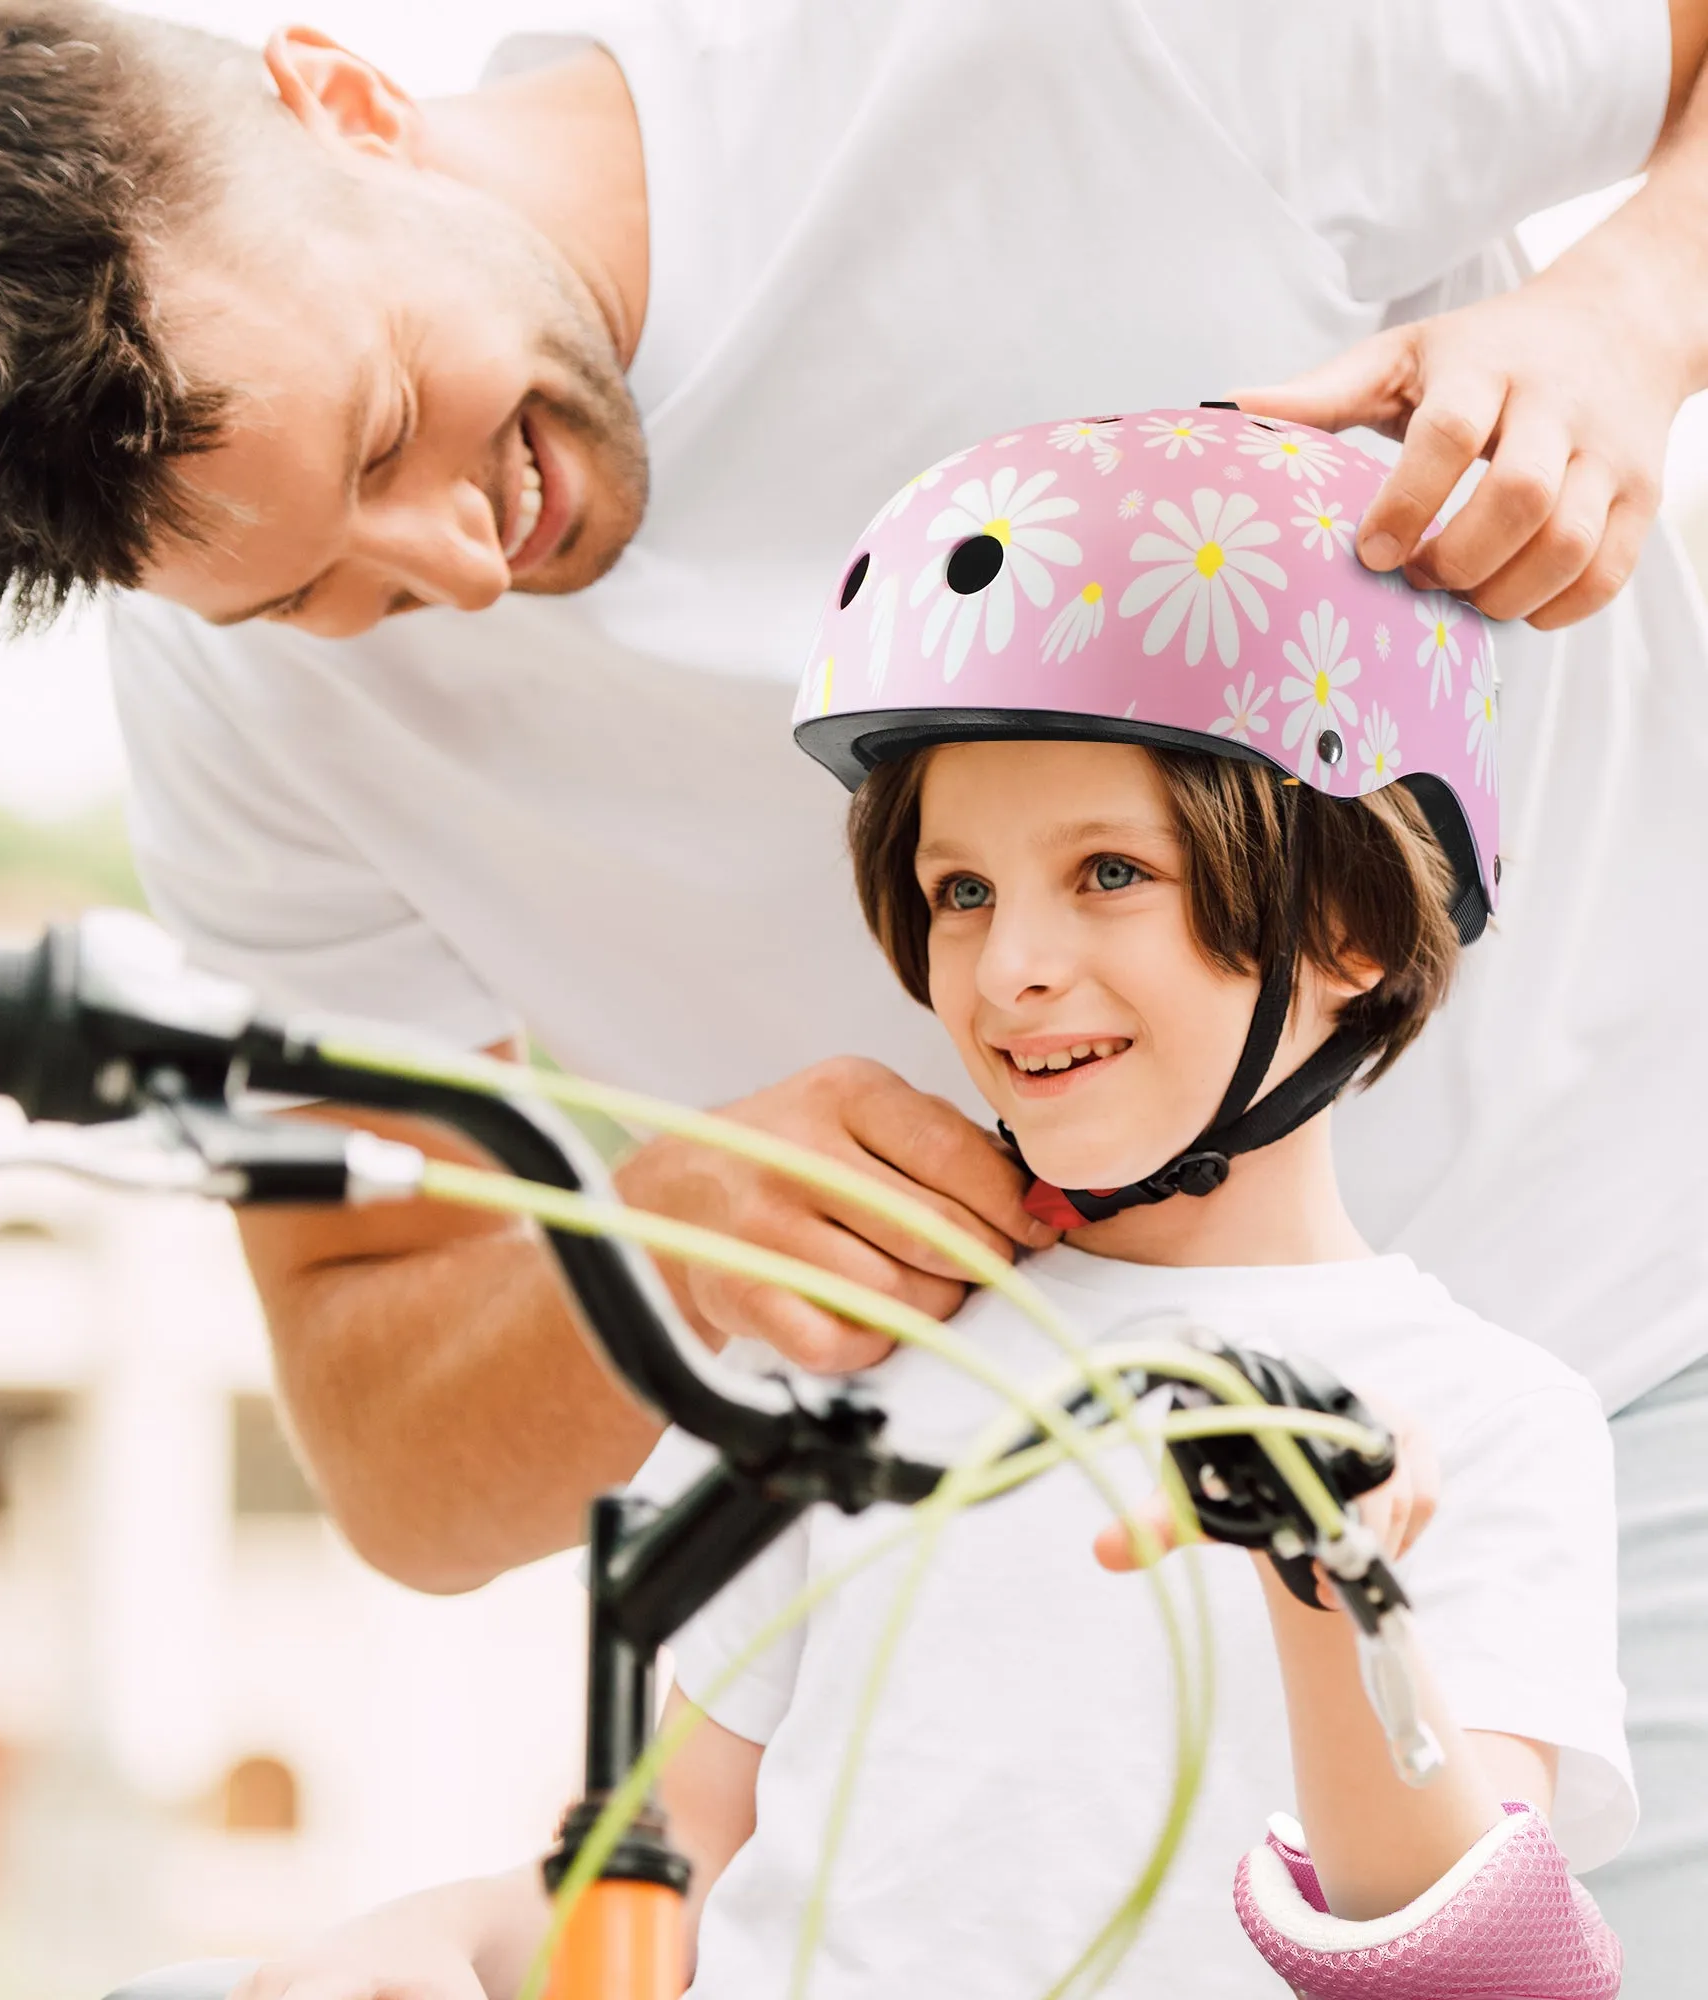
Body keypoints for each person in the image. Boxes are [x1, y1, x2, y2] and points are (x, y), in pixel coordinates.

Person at [0, 0, 1708, 1976]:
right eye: (309, 592)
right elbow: (406, 1469)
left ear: (345, 97)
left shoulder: (1087, 52)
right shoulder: (235, 699)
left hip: (1637, 1320)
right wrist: (655, 1242)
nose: (444, 571)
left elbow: (1462, 1941)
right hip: (957, 1410)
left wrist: (1630, 315)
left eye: (381, 430)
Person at [225, 417, 1632, 2000]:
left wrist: (1335, 1596)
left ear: (1355, 921)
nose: (1009, 964)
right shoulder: (843, 1343)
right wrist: (440, 1942)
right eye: (962, 890)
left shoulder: (1485, 1422)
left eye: (1109, 872)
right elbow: (656, 1875)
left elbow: (1479, 1972)